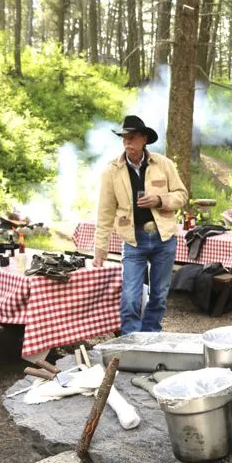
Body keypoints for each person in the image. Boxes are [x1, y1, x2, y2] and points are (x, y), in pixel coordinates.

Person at [94, 115, 188, 336]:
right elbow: (105, 212)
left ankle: (151, 338)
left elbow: (182, 195)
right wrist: (100, 248)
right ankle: (131, 342)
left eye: (132, 137)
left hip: (163, 238)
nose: (127, 142)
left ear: (144, 139)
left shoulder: (163, 164)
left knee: (159, 295)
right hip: (133, 239)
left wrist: (160, 200)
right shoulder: (111, 171)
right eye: (124, 138)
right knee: (129, 297)